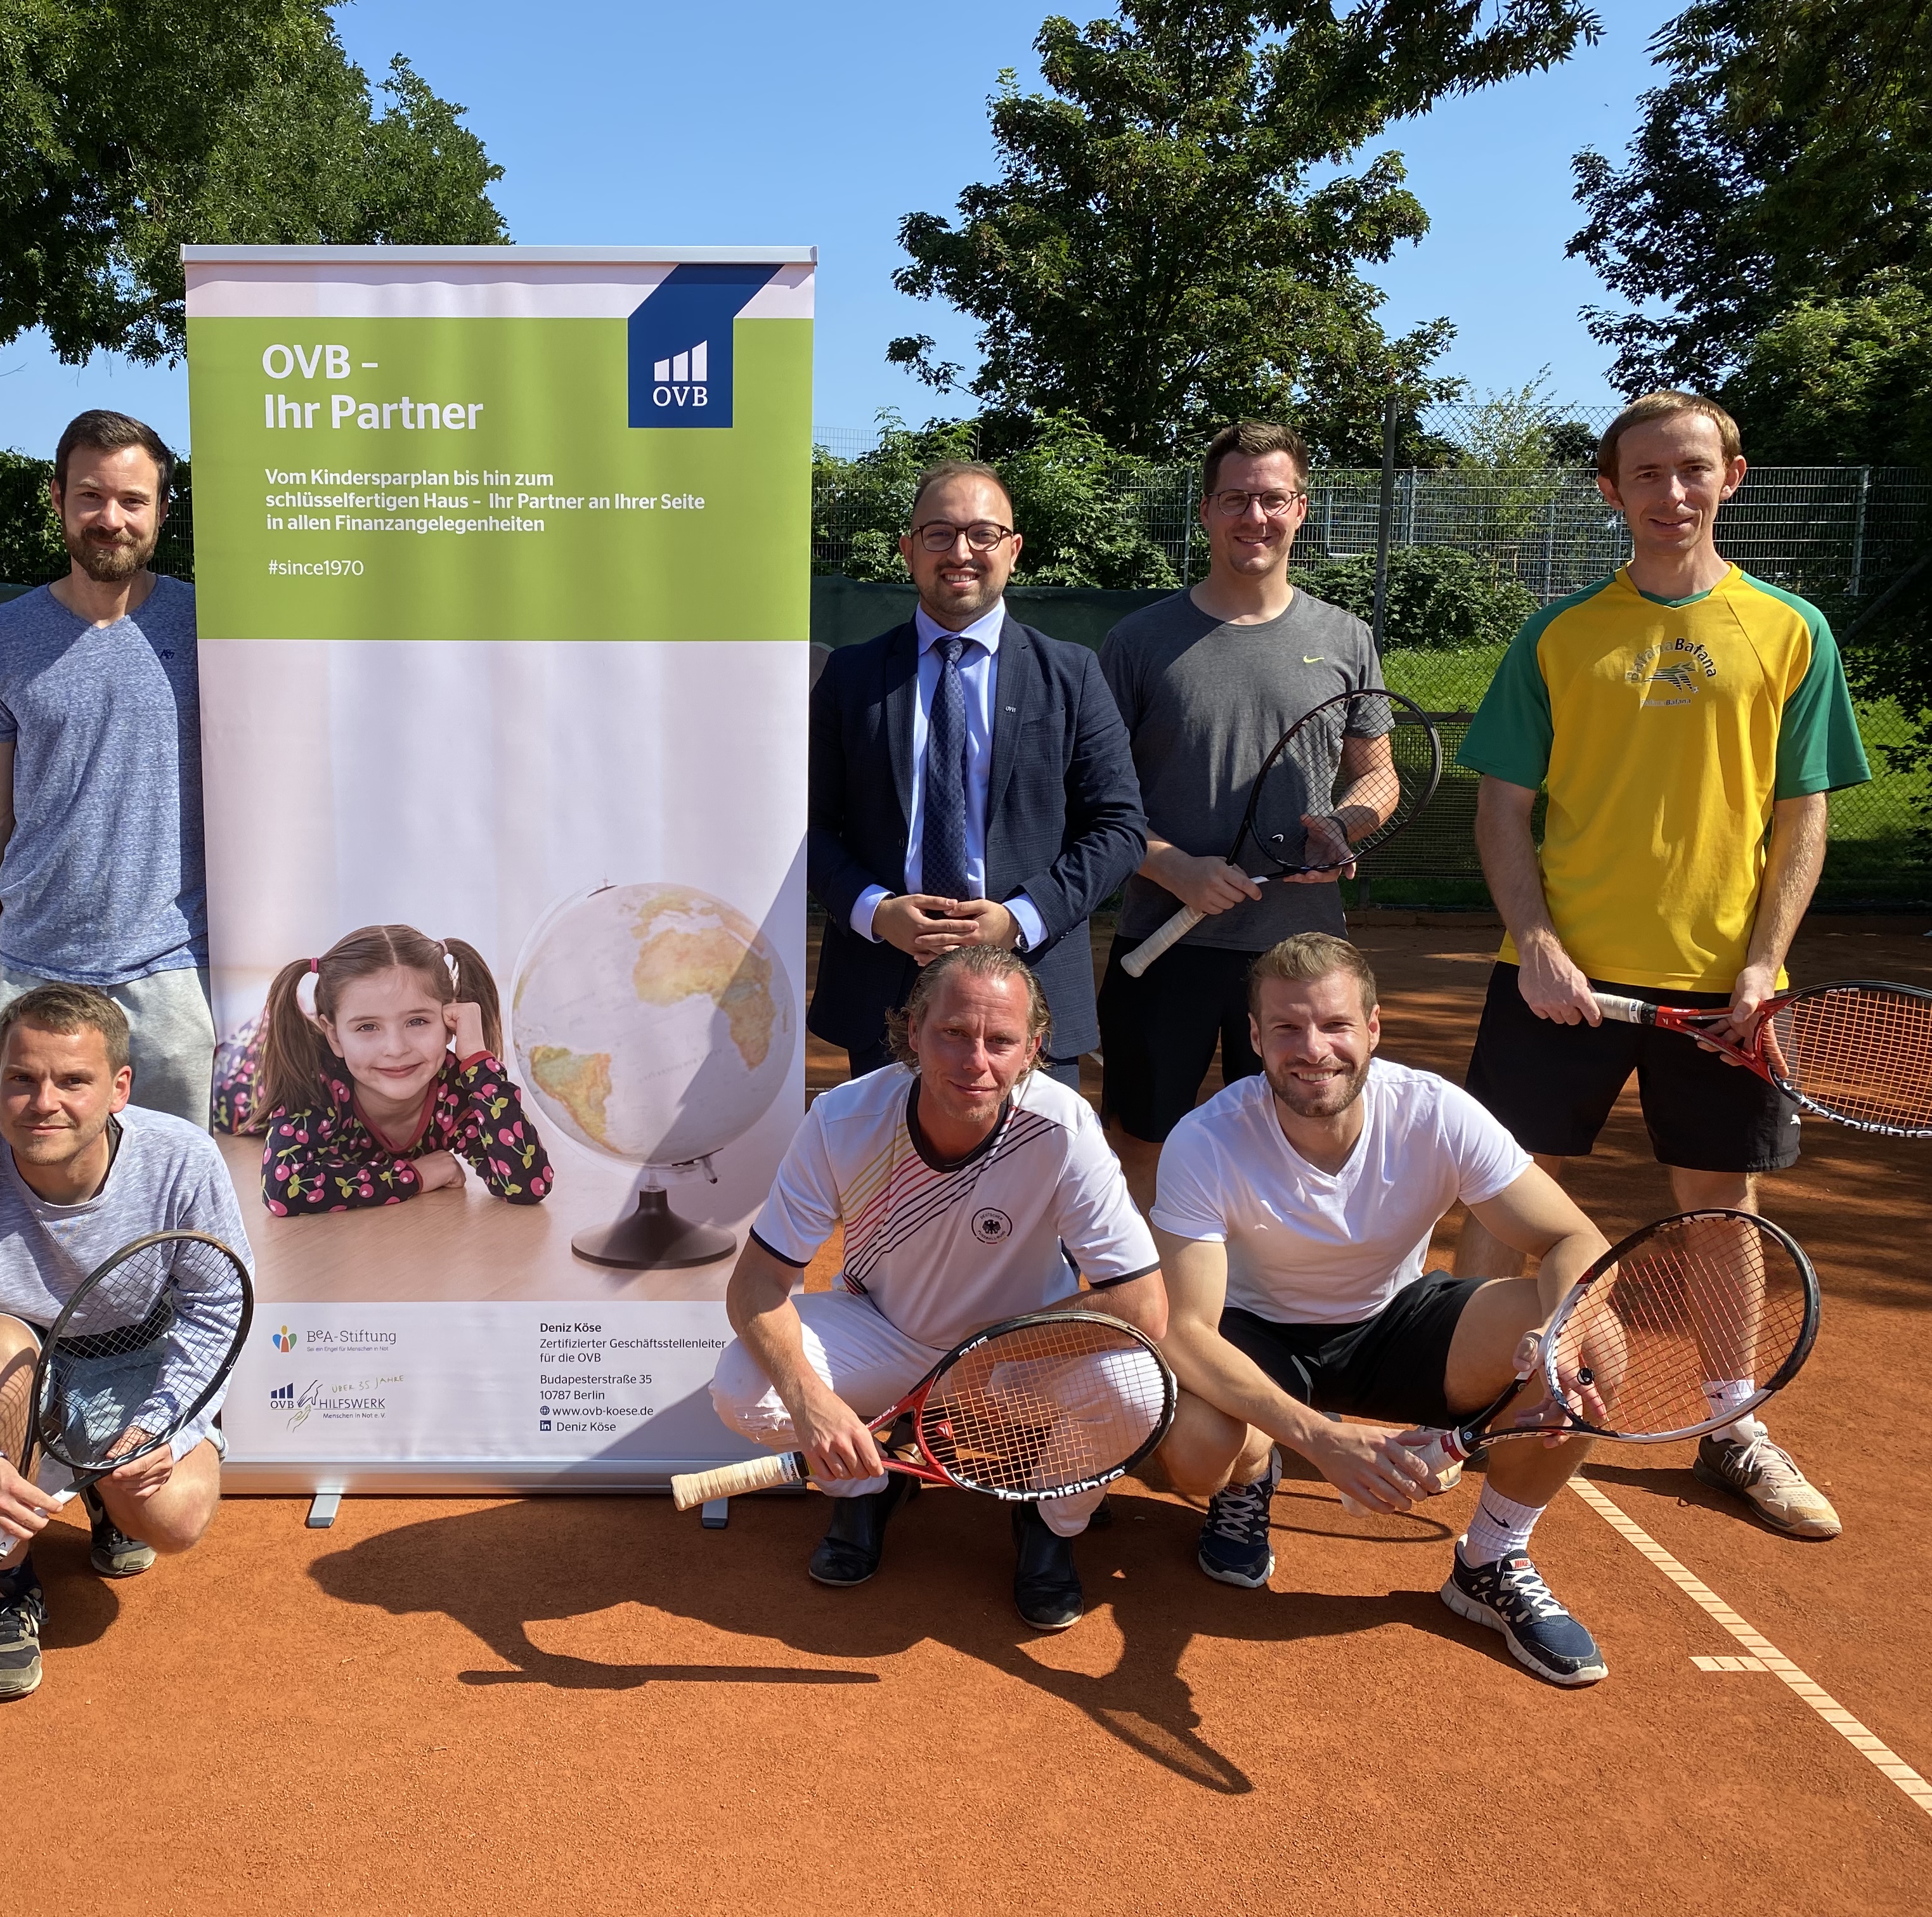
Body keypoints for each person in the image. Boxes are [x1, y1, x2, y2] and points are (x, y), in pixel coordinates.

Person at [1453, 390, 1872, 1542]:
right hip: (1556, 978)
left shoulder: (1791, 631)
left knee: (1721, 1207)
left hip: (1720, 986)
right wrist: (1536, 942)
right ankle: (1470, 1397)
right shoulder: (1556, 634)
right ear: (1610, 490)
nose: (1670, 492)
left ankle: (1732, 1424)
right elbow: (1502, 810)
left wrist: (1764, 963)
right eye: (1645, 473)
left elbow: (1803, 816)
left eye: (1692, 469)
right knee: (1502, 1187)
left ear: (1731, 478)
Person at [1151, 936, 1616, 1686]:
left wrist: (1558, 1338)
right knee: (1200, 1451)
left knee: (1598, 1339)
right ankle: (1247, 1485)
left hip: (1395, 1320)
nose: (1313, 1050)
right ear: (1255, 1038)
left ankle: (1491, 1560)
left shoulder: (1434, 1112)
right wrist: (1318, 1440)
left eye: (1335, 1026)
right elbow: (1185, 1330)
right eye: (1287, 1029)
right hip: (1256, 1333)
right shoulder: (1207, 1140)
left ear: (1373, 1028)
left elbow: (1572, 1237)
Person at [708, 945, 1168, 1631]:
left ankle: (1050, 1522)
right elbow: (754, 1287)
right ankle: (865, 1485)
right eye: (953, 1033)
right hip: (883, 1329)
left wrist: (977, 1368)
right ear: (914, 1031)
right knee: (745, 1388)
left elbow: (1142, 1306)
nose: (974, 1061)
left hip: (1016, 1353)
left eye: (1000, 1040)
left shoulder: (1064, 1128)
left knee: (1138, 1387)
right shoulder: (841, 1119)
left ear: (1033, 1049)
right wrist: (812, 1404)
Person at [0, 983, 252, 1701]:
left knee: (175, 1520)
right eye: (24, 1079)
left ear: (118, 1089)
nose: (45, 1102)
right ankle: (7, 1587)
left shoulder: (182, 1160)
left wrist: (166, 1422)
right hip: (8, 1358)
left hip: (130, 1356)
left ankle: (108, 1492)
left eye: (74, 1080)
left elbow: (218, 1303)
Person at [1094, 422, 1384, 1211]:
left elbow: (1377, 779)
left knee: (1298, 1141)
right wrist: (1172, 866)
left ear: (1300, 509)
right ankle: (1150, 1327)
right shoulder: (1138, 641)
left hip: (1301, 957)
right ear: (1206, 512)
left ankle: (1265, 1322)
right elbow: (1098, 798)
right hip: (1164, 945)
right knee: (1141, 1148)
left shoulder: (1346, 637)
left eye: (1272, 499)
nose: (1254, 516)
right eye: (1235, 499)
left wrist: (1347, 825)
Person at [808, 460, 1146, 1086]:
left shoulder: (1072, 675)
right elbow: (812, 828)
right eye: (939, 533)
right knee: (887, 1182)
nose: (961, 551)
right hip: (884, 988)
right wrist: (878, 912)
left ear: (1013, 550)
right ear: (909, 551)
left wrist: (1018, 918)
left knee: (1033, 1183)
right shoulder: (850, 679)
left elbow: (1119, 829)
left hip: (1029, 983)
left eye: (983, 534)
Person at [0, 410, 213, 1126]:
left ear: (163, 508)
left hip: (176, 979)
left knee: (184, 1205)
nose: (111, 519)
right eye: (90, 497)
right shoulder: (1, 634)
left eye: (133, 501)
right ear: (57, 499)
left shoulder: (210, 626)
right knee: (41, 1208)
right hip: (36, 971)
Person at [214, 924, 552, 1215]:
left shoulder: (455, 1092)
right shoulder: (315, 1082)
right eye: (367, 1027)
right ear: (333, 1035)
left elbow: (529, 1185)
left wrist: (478, 1060)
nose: (396, 1048)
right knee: (241, 1073)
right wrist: (414, 1176)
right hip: (244, 1072)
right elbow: (284, 1189)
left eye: (417, 1021)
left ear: (450, 1020)